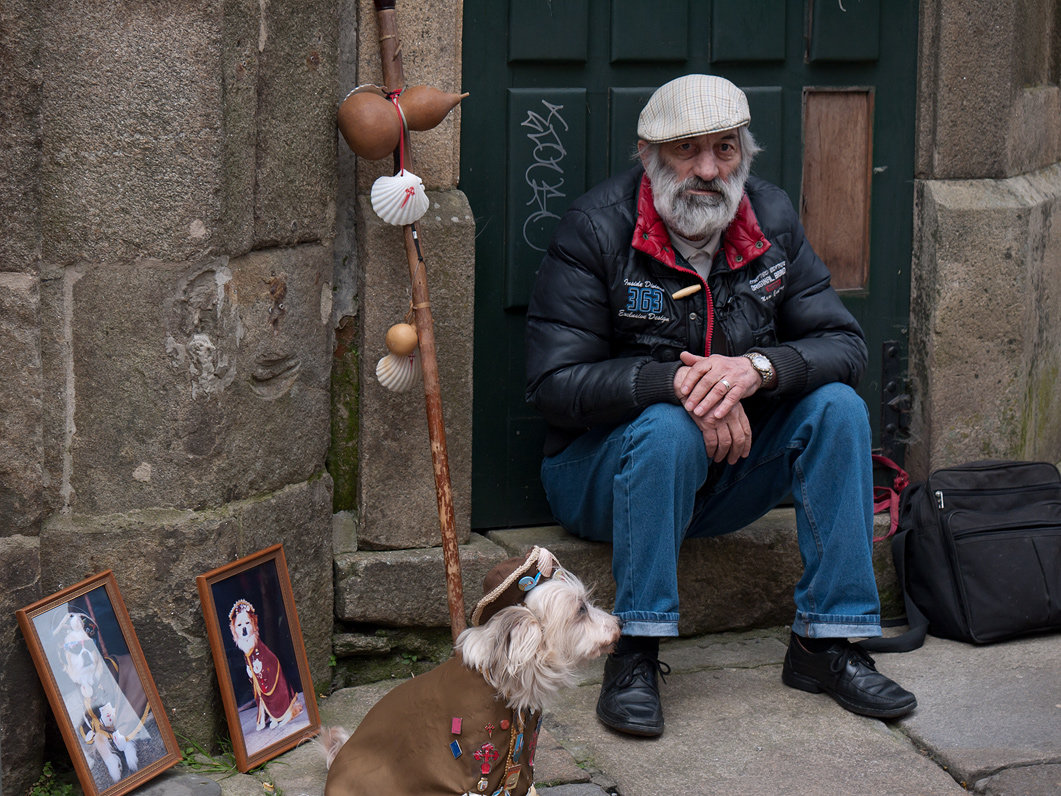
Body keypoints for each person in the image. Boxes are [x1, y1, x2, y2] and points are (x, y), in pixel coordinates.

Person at [524, 74, 916, 738]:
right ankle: (636, 651)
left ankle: (825, 644)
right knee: (670, 426)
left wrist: (754, 370)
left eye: (725, 150)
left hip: (725, 473)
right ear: (649, 153)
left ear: (744, 155)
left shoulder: (770, 218)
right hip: (598, 477)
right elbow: (553, 386)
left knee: (839, 408)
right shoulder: (596, 228)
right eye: (688, 151)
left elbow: (842, 344)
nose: (708, 170)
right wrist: (673, 385)